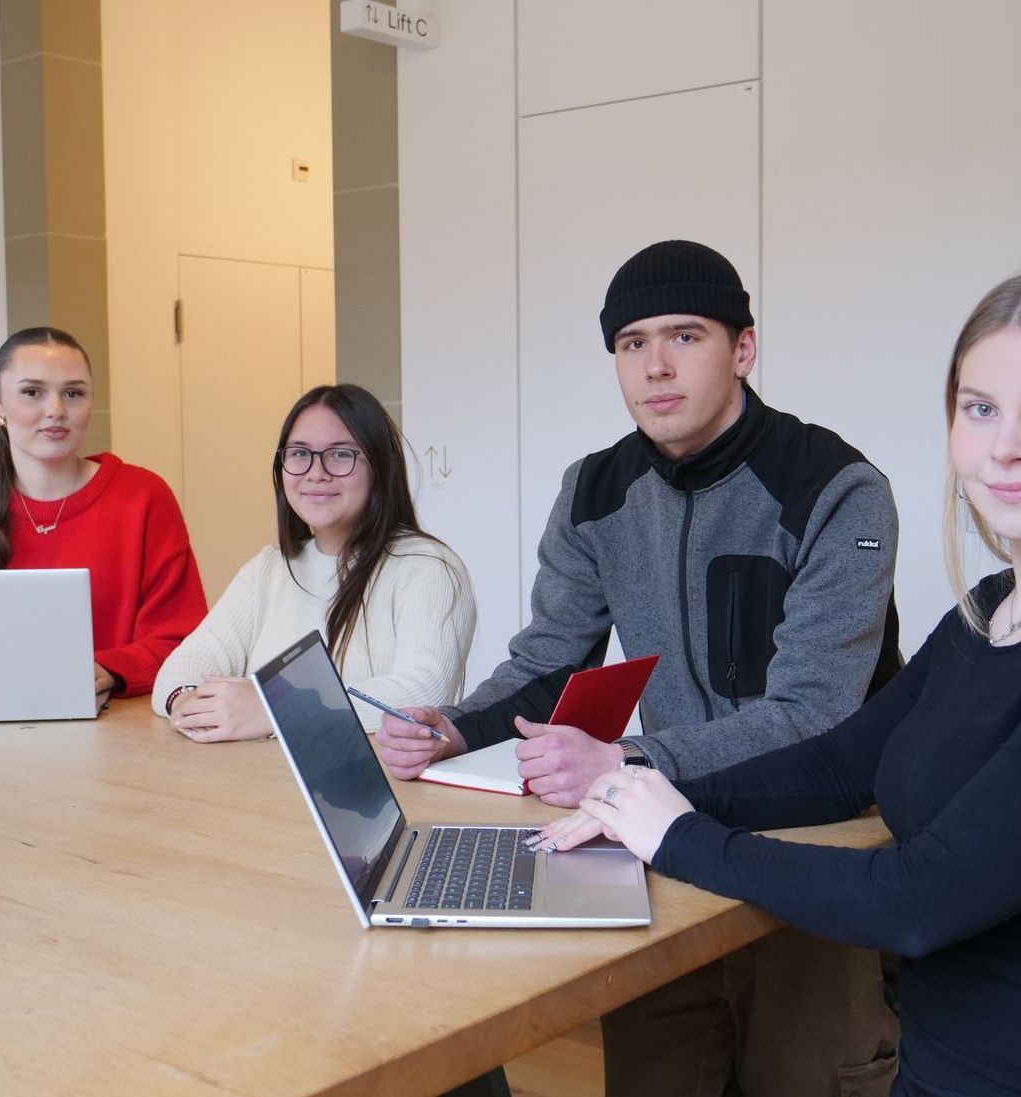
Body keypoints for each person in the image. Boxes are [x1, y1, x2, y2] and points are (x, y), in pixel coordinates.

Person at [536, 266, 1021, 1097]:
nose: (1004, 446)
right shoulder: (994, 611)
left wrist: (679, 836)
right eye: (979, 408)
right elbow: (844, 763)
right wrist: (642, 788)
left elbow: (918, 899)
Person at [378, 240, 902, 1095]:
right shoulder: (594, 490)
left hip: (818, 841)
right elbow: (550, 656)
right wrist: (455, 727)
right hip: (664, 827)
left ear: (743, 348)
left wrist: (625, 762)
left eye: (684, 336)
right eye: (631, 344)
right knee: (660, 1073)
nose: (655, 366)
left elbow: (817, 719)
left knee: (808, 1076)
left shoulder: (836, 487)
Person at [0, 327, 207, 705]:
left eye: (73, 393)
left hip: (118, 731)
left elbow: (182, 638)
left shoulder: (144, 498)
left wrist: (109, 670)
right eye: (32, 392)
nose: (56, 410)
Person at [153, 384, 475, 742]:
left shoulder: (430, 568)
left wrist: (275, 709)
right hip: (255, 784)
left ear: (380, 467)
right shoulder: (269, 567)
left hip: (378, 789)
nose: (316, 472)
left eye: (340, 454)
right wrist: (185, 701)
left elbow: (425, 691)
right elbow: (185, 665)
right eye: (299, 454)